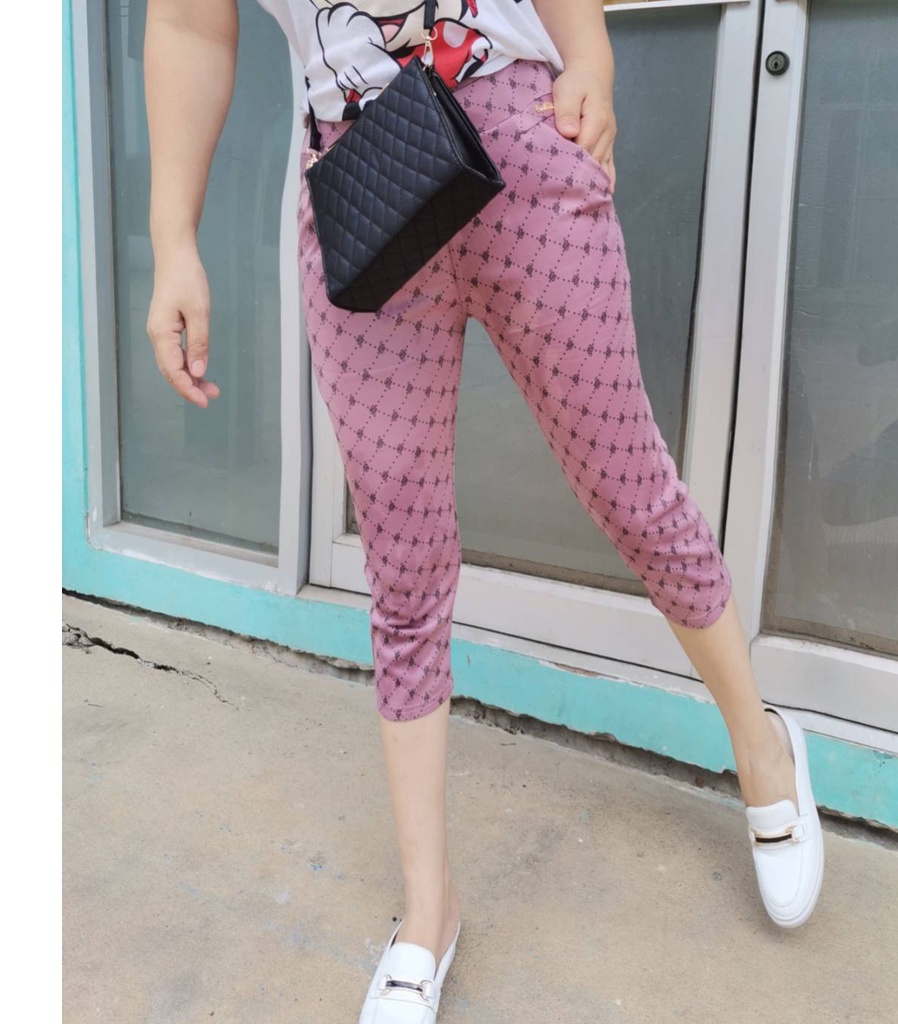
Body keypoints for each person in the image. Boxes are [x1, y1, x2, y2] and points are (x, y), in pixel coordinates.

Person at [143, 1, 825, 1019]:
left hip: (519, 125)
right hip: (363, 169)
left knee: (631, 490)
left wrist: (589, 53)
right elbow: (190, 24)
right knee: (404, 564)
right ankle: (430, 909)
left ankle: (763, 745)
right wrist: (173, 240)